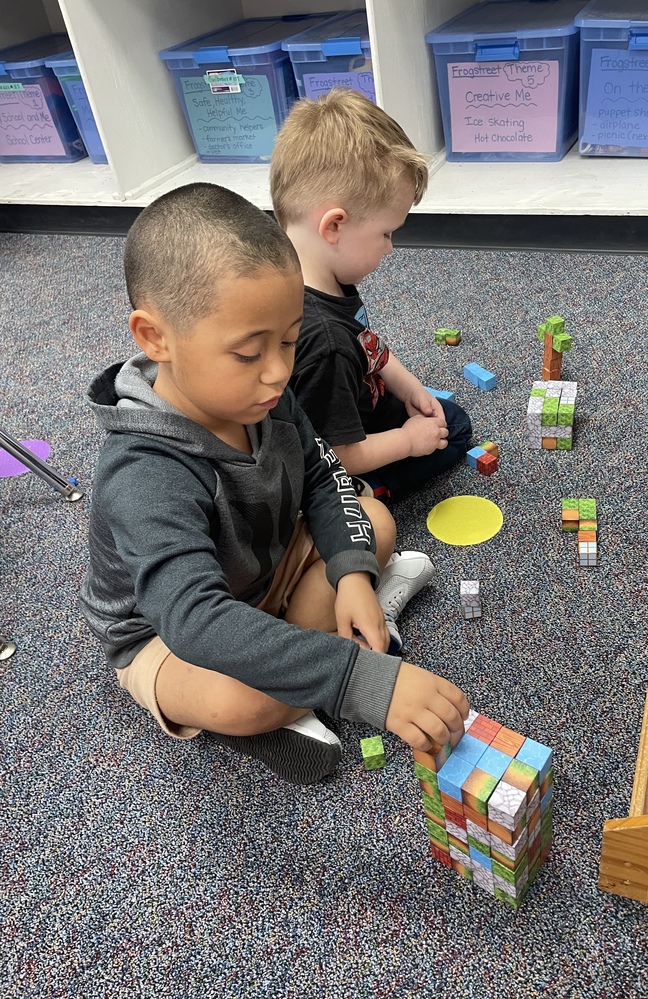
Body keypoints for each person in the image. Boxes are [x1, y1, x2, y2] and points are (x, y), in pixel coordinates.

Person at [79, 183, 468, 785]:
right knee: (244, 703)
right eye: (248, 352)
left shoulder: (269, 395)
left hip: (264, 565)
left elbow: (323, 477)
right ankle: (304, 685)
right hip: (167, 631)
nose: (279, 371)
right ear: (155, 338)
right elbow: (195, 619)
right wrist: (359, 678)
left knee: (376, 527)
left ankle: (326, 646)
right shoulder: (143, 472)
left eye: (288, 340)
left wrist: (354, 575)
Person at [270, 87, 473, 503]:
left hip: (355, 402)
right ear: (334, 226)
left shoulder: (318, 270)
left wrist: (410, 386)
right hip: (340, 450)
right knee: (454, 429)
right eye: (385, 233)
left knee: (440, 415)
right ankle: (373, 491)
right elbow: (333, 453)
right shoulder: (323, 342)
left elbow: (369, 346)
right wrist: (407, 442)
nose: (389, 247)